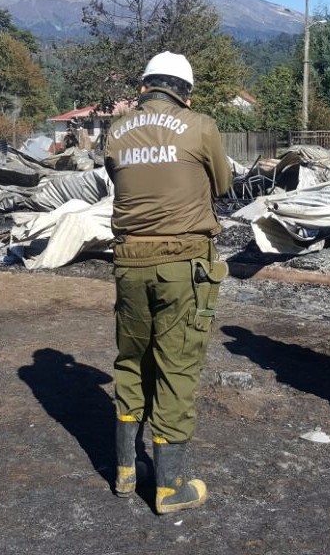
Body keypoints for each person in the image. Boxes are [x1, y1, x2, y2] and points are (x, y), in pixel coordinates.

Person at [103, 51, 233, 514]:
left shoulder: (115, 131)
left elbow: (118, 179)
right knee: (176, 366)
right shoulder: (201, 126)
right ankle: (169, 486)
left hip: (128, 261)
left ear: (144, 87)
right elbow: (221, 184)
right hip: (183, 263)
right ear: (186, 92)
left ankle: (124, 470)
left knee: (131, 359)